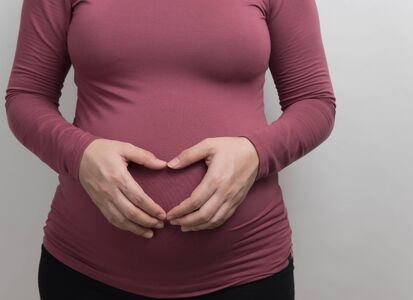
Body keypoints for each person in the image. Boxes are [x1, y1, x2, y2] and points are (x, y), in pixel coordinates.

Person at [4, 0, 336, 299]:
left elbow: (314, 102)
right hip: (86, 270)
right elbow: (26, 97)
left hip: (245, 270)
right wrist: (79, 155)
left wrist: (255, 153)